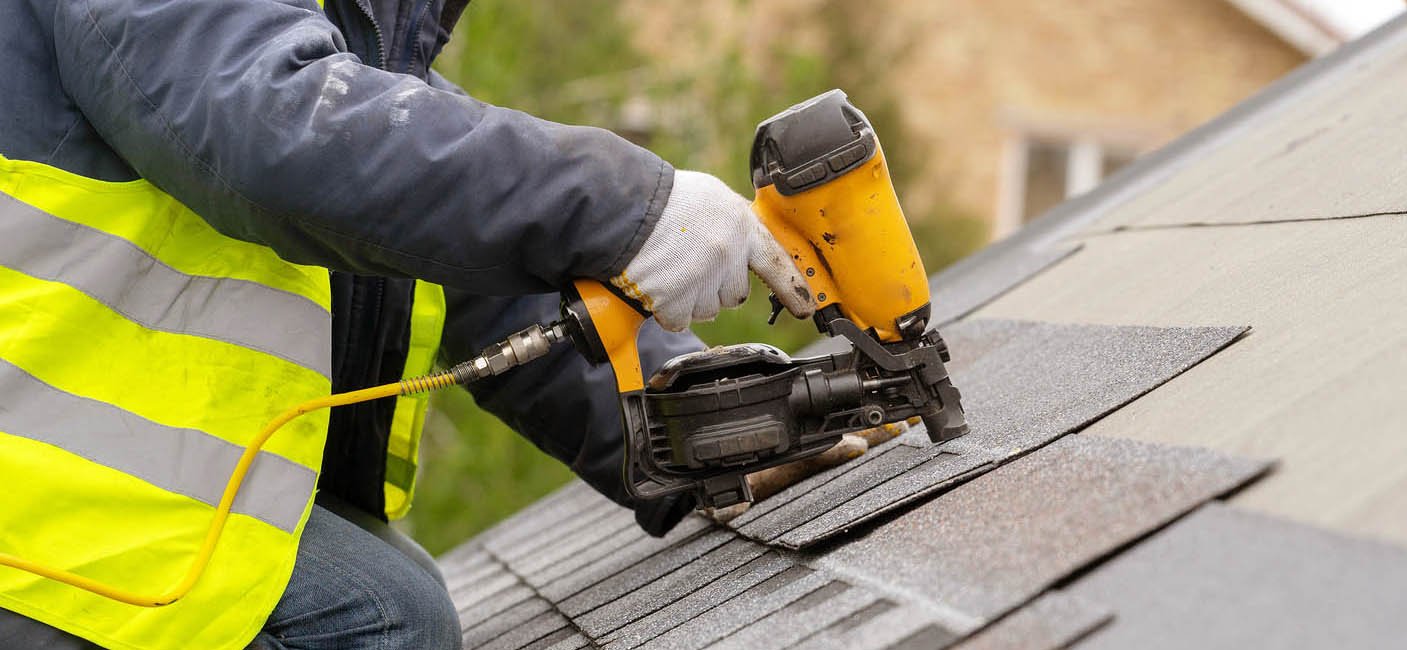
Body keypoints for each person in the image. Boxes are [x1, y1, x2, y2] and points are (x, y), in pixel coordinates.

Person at [0, 0, 820, 648]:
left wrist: (694, 426)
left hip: (89, 498)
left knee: (387, 594)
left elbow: (464, 253)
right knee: (379, 619)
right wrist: (621, 209)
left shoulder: (336, 40)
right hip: (29, 528)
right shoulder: (263, 61)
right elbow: (284, 132)